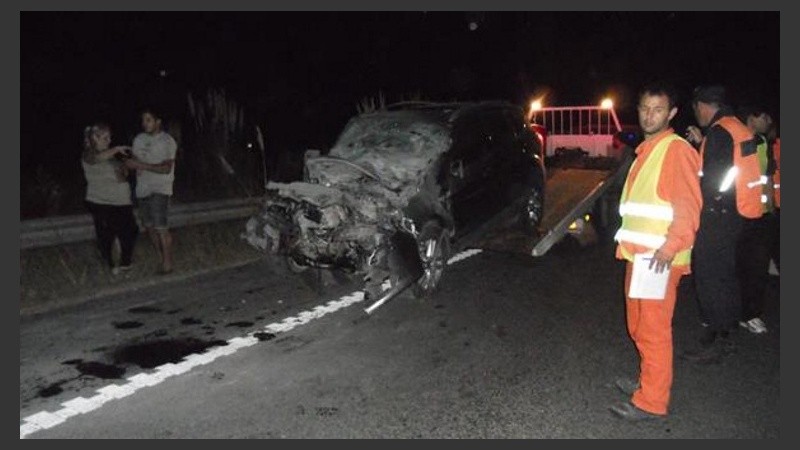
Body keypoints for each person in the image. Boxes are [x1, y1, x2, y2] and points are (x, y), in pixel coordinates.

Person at [609, 83, 702, 421]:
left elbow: (688, 207)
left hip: (659, 258)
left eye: (658, 109)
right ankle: (647, 380)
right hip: (640, 256)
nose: (649, 115)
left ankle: (651, 401)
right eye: (645, 108)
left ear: (672, 113)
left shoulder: (675, 151)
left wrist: (669, 248)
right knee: (637, 325)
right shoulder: (650, 149)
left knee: (653, 330)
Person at [682, 85, 763, 362]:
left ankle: (715, 341)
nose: (697, 113)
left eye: (696, 108)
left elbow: (714, 178)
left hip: (717, 214)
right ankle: (726, 333)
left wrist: (701, 205)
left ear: (703, 106)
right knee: (725, 275)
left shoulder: (719, 133)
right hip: (737, 214)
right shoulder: (736, 127)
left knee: (710, 276)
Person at [734, 107, 777, 334]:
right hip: (742, 215)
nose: (769, 121)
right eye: (766, 116)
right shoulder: (738, 140)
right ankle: (742, 313)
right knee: (743, 267)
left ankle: (750, 313)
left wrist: (770, 210)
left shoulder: (761, 143)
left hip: (759, 216)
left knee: (756, 267)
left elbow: (768, 177)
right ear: (752, 115)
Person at [125, 106, 178, 274]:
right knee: (149, 226)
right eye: (143, 120)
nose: (144, 123)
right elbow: (134, 161)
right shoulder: (139, 140)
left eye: (148, 120)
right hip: (143, 188)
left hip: (160, 187)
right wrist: (128, 166)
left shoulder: (167, 141)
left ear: (158, 122)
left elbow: (166, 168)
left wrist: (141, 165)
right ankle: (161, 256)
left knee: (161, 226)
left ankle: (167, 264)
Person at [81, 122, 139, 274]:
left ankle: (125, 263)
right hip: (101, 201)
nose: (109, 140)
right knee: (107, 234)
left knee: (132, 230)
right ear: (95, 137)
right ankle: (110, 265)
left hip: (121, 201)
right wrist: (116, 149)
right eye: (105, 137)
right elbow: (96, 159)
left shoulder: (113, 158)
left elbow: (122, 177)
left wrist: (126, 169)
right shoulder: (89, 154)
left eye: (109, 137)